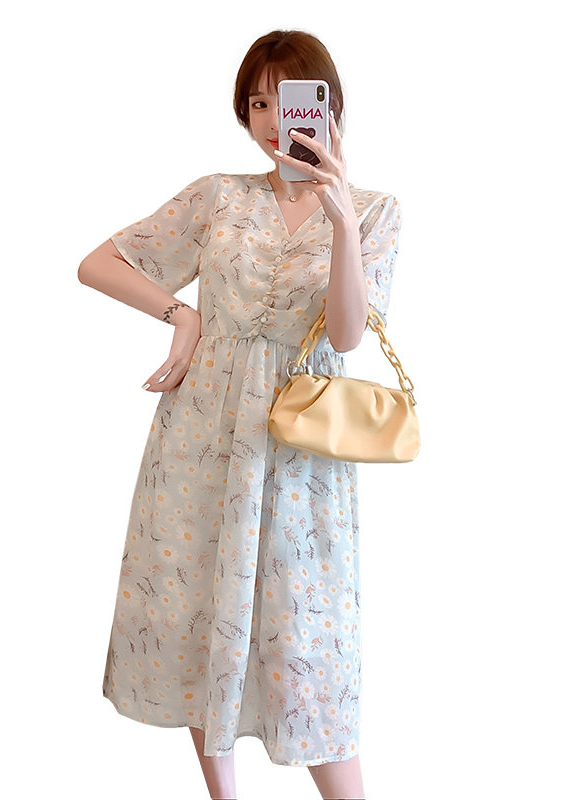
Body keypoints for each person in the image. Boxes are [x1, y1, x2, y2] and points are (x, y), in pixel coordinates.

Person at [78, 28, 402, 800]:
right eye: (256, 104)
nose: (271, 120)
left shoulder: (374, 211)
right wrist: (181, 314)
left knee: (304, 647)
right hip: (201, 437)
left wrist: (340, 220)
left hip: (299, 451)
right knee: (201, 616)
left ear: (327, 106)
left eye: (288, 99)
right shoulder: (220, 195)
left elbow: (348, 336)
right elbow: (98, 263)